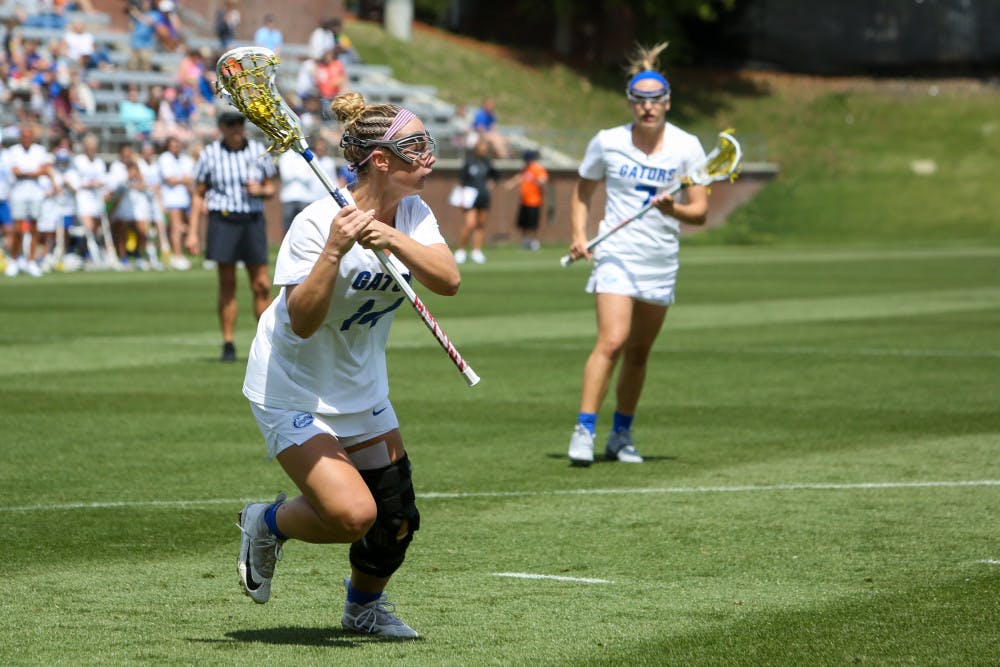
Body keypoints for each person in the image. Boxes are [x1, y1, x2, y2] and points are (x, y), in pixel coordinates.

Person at [236, 92, 455, 639]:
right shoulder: (316, 223)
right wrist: (335, 250)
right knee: (353, 515)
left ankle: (363, 609)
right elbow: (302, 321)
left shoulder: (413, 213)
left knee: (397, 518)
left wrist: (392, 238)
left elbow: (448, 280)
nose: (428, 157)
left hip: (361, 385)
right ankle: (266, 522)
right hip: (292, 386)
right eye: (415, 147)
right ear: (380, 159)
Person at [565, 43, 709, 466]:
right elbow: (582, 191)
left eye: (655, 100)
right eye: (640, 100)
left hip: (660, 258)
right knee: (613, 340)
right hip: (616, 252)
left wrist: (673, 209)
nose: (648, 107)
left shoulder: (687, 146)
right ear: (630, 103)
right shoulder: (607, 142)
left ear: (667, 102)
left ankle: (621, 434)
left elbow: (699, 211)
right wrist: (579, 234)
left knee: (639, 351)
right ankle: (584, 429)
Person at [185, 110, 277, 362]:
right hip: (223, 219)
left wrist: (261, 190)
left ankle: (268, 342)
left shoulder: (257, 150)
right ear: (222, 128)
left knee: (261, 284)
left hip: (252, 219)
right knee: (227, 284)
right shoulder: (210, 154)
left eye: (239, 124)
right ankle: (228, 342)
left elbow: (271, 186)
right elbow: (199, 193)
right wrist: (193, 232)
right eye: (230, 125)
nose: (236, 129)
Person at [4, 122, 53, 277]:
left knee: (34, 228)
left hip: (35, 194)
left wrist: (28, 173)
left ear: (32, 137)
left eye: (28, 136)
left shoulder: (39, 150)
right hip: (18, 193)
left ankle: (31, 261)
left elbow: (43, 170)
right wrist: (32, 172)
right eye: (23, 136)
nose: (26, 139)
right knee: (18, 229)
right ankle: (14, 259)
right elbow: (16, 171)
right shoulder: (13, 151)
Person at [277, 135, 334, 236]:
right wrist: (301, 173)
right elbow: (286, 176)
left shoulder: (310, 155)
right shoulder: (285, 156)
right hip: (288, 197)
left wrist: (294, 172)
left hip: (306, 197)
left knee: (305, 229)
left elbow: (309, 177)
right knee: (288, 230)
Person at [452, 138, 497, 265]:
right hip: (470, 197)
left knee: (481, 225)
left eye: (485, 149)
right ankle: (461, 251)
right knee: (469, 224)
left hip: (484, 197)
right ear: (476, 149)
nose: (483, 151)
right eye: (481, 149)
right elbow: (462, 181)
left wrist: (491, 183)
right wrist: (461, 198)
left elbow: (494, 176)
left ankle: (476, 251)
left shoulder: (488, 162)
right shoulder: (469, 162)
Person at [157, 134, 194, 269]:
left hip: (184, 198)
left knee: (182, 227)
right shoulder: (165, 158)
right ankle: (177, 255)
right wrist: (183, 180)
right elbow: (170, 180)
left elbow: (190, 178)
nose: (175, 147)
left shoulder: (185, 159)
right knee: (176, 228)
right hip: (171, 198)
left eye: (177, 144)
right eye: (172, 145)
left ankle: (179, 253)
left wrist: (181, 180)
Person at [503, 149, 548, 251]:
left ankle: (534, 242)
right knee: (524, 224)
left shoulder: (537, 168)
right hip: (524, 201)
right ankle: (526, 242)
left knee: (533, 224)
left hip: (534, 201)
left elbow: (543, 179)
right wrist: (510, 183)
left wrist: (537, 180)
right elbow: (519, 177)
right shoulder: (526, 169)